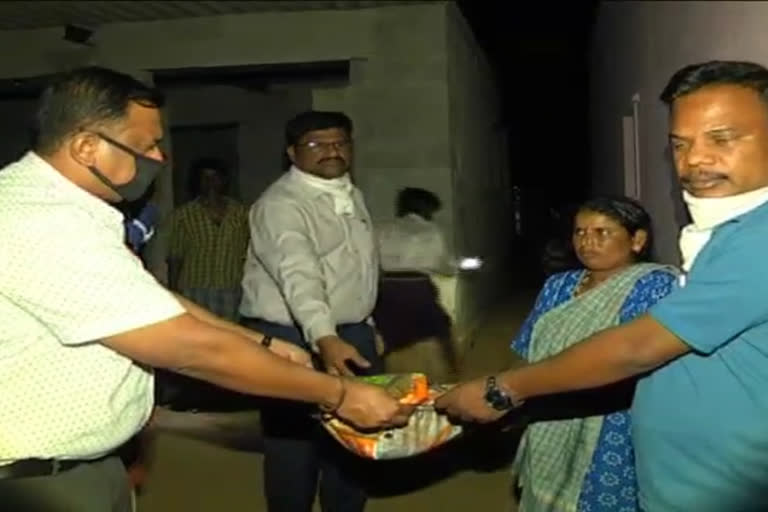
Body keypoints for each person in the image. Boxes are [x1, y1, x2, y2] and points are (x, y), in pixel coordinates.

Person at [0, 67, 410, 512]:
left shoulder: (70, 210)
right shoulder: (39, 221)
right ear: (85, 147)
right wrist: (340, 394)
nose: (160, 158)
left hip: (84, 466)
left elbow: (149, 298)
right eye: (145, 147)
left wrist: (259, 340)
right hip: (37, 479)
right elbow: (191, 350)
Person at [435, 60, 768, 512]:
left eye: (722, 139)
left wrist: (503, 390)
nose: (694, 160)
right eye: (679, 145)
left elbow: (636, 348)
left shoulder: (757, 240)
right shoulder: (723, 232)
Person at [239, 110, 380, 512]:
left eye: (339, 142)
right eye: (317, 145)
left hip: (348, 334)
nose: (331, 152)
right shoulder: (281, 205)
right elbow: (298, 273)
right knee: (294, 447)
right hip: (293, 339)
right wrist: (325, 337)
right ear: (291, 153)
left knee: (355, 438)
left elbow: (359, 267)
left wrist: (365, 321)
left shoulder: (351, 194)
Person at [508, 196, 677, 512]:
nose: (587, 242)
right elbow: (528, 347)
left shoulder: (655, 286)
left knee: (604, 494)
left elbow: (635, 356)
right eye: (580, 232)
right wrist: (512, 394)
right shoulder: (558, 285)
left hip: (618, 416)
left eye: (602, 233)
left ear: (637, 240)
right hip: (549, 409)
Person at [374, 187, 458, 379]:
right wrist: (454, 269)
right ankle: (454, 370)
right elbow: (442, 263)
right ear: (426, 209)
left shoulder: (382, 228)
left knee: (386, 333)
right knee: (442, 329)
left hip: (388, 287)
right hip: (418, 287)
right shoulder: (431, 231)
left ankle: (378, 375)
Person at [167, 158, 249, 321]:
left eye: (215, 177)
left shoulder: (241, 214)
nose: (210, 182)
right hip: (195, 288)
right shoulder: (183, 215)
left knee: (230, 337)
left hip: (231, 287)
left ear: (223, 180)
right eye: (205, 178)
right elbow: (175, 256)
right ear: (197, 182)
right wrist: (174, 291)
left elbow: (248, 252)